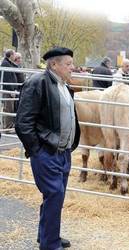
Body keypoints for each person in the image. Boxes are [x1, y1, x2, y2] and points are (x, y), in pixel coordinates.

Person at [15, 47, 81, 250]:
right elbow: (23, 123)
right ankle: (50, 245)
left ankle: (47, 235)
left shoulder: (63, 85)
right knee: (54, 194)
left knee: (55, 197)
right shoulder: (38, 83)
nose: (72, 68)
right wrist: (37, 150)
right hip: (47, 152)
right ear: (54, 64)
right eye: (68, 64)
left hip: (63, 152)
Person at [1, 49, 18, 129]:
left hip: (10, 90)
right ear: (11, 55)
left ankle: (8, 126)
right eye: (14, 54)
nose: (15, 56)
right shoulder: (5, 64)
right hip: (8, 91)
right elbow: (7, 79)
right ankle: (7, 126)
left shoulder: (8, 63)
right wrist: (11, 90)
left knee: (9, 108)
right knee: (8, 109)